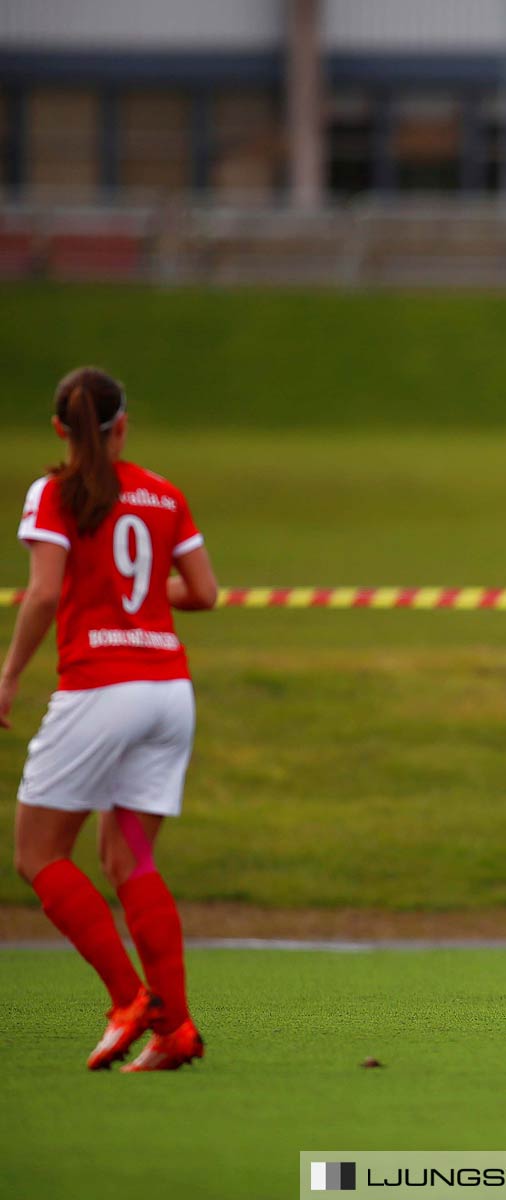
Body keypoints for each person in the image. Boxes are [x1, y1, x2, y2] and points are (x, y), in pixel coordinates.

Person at [3, 367, 218, 1071]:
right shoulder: (164, 494)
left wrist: (6, 679)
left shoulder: (55, 492)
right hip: (167, 693)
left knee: (38, 854)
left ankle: (130, 998)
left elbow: (41, 596)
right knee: (130, 860)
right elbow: (205, 594)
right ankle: (176, 1030)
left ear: (61, 429)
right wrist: (143, 598)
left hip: (102, 691)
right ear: (123, 424)